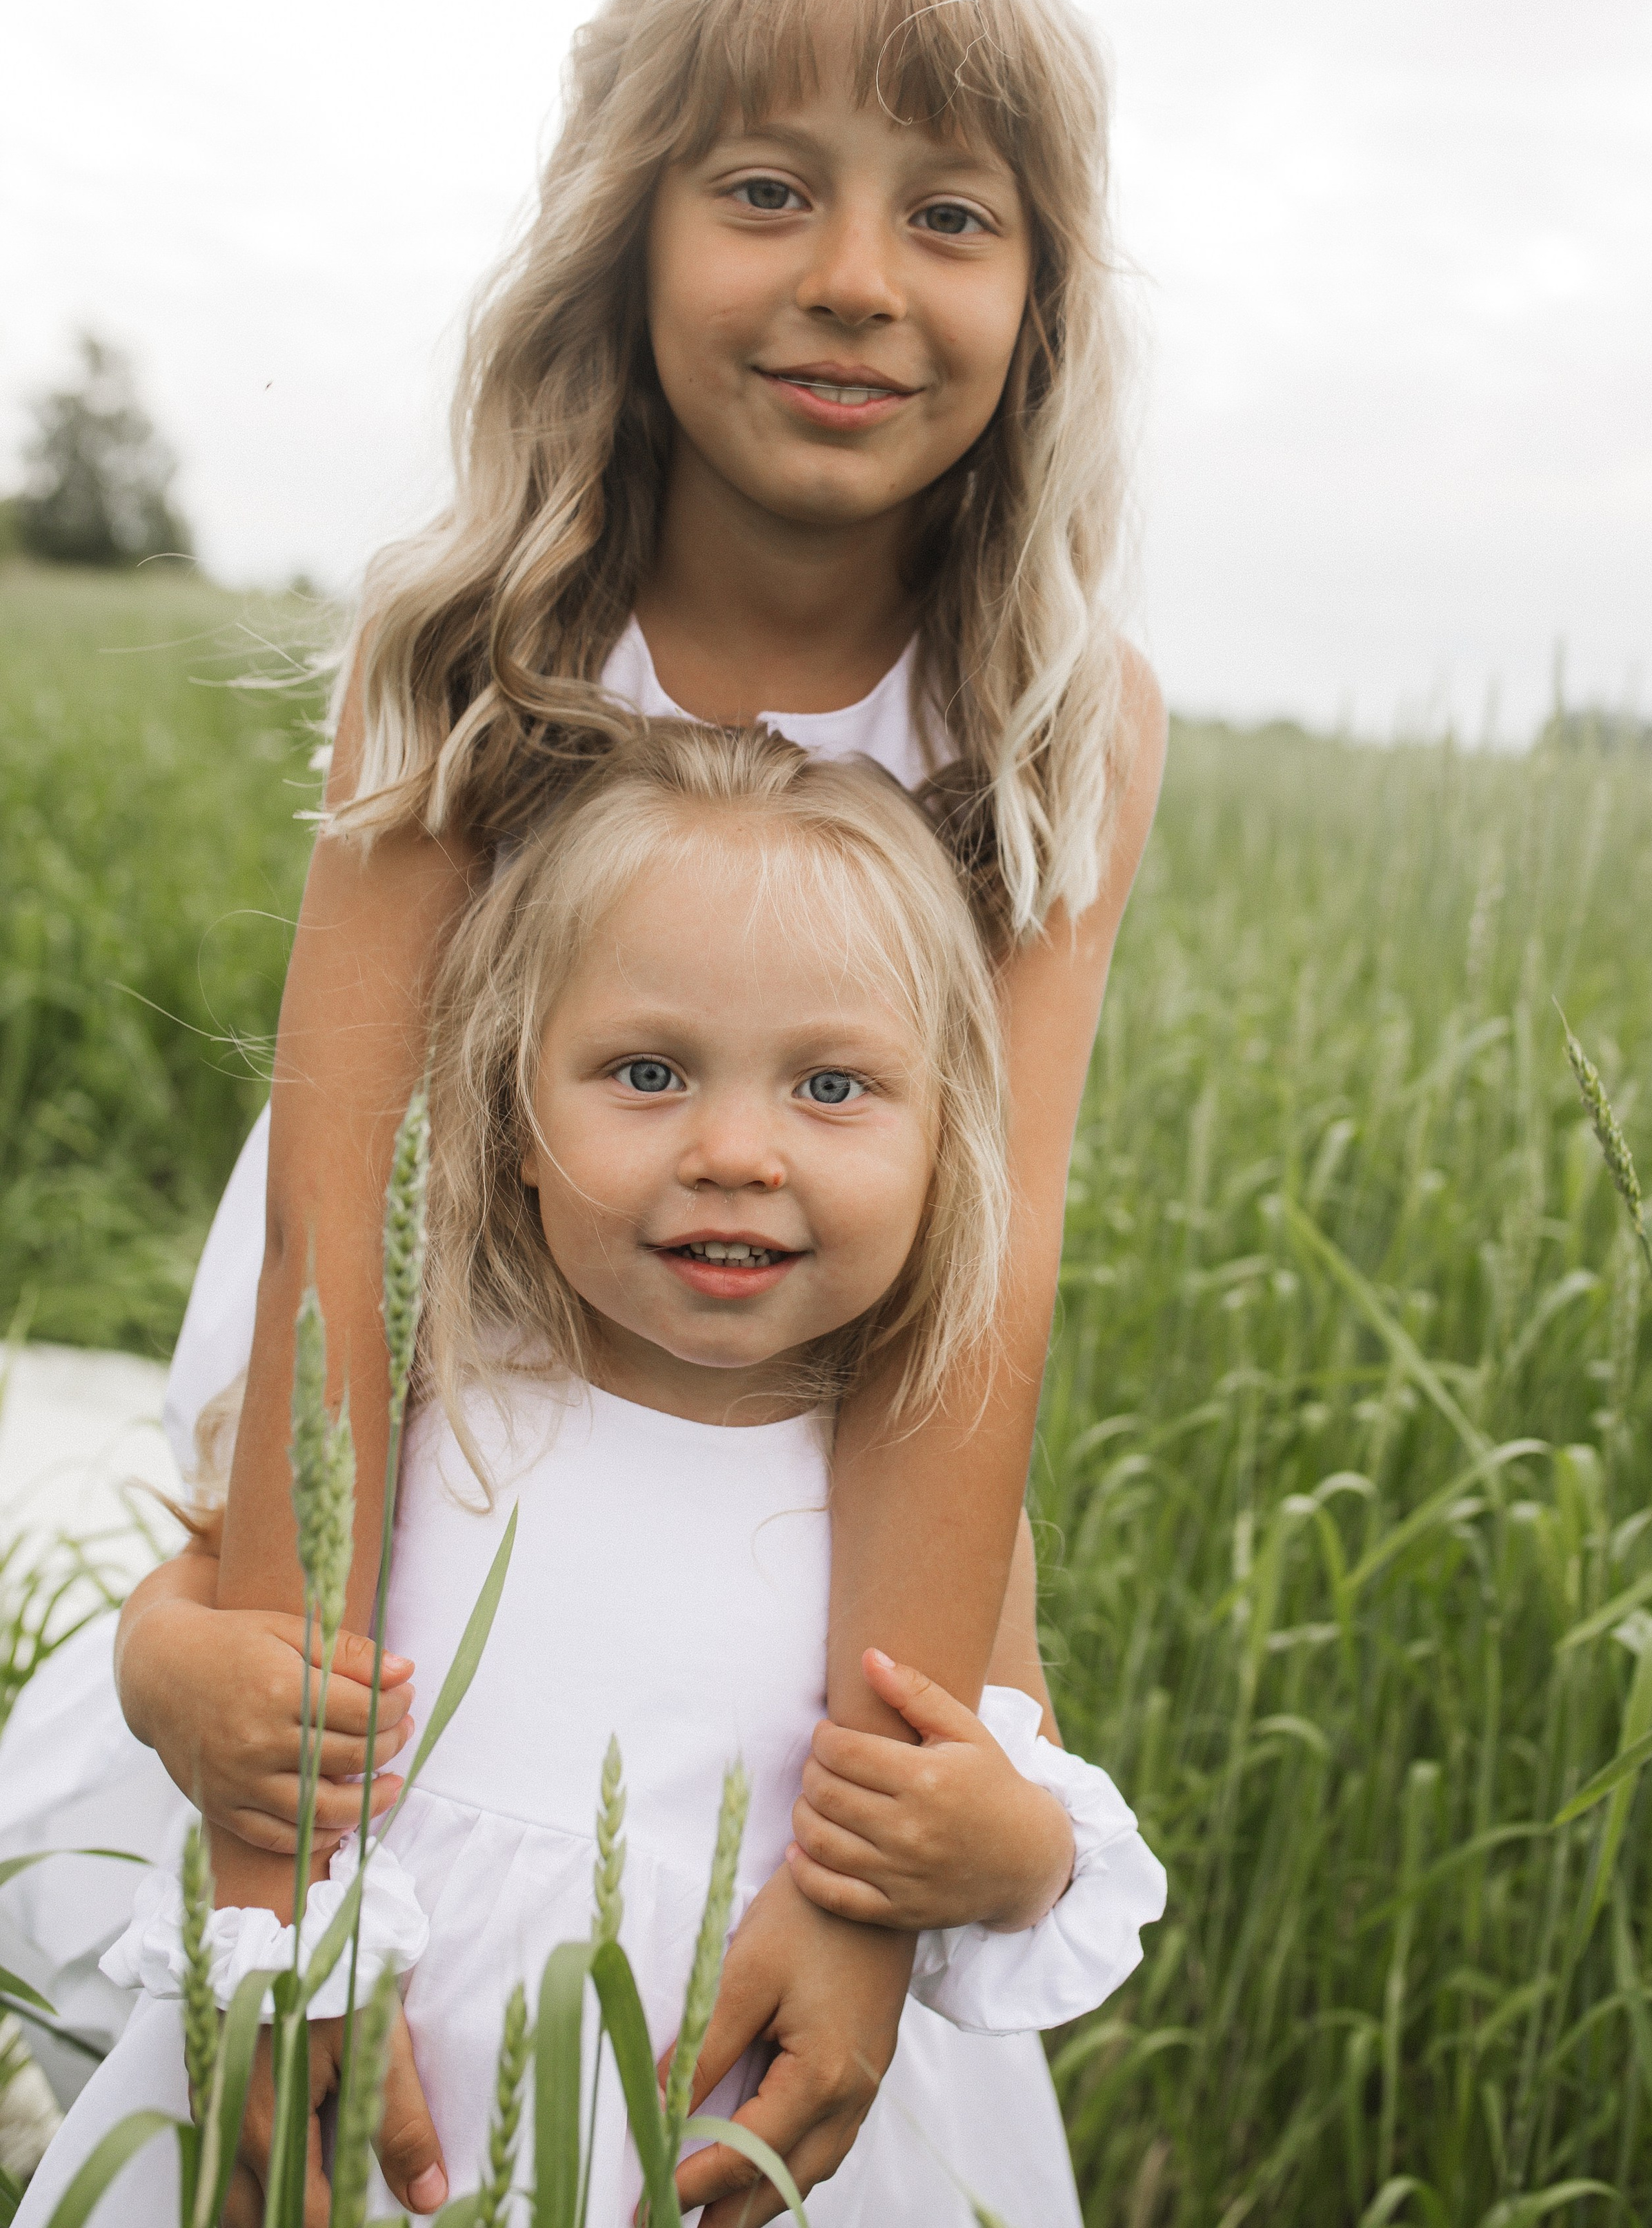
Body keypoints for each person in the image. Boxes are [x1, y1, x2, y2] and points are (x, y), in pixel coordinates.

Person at [15, 0, 1166, 2220]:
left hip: (789, 1512)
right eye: (767, 189)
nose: (855, 278)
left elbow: (984, 1265)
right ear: (630, 230)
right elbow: (340, 1213)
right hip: (405, 1477)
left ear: (1042, 294)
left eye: (953, 213)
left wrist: (863, 1894)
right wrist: (279, 1905)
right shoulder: (478, 634)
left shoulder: (1056, 714)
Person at [19, 725, 1165, 2226]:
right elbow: (195, 1595)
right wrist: (174, 1673)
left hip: (719, 2138)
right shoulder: (442, 1389)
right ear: (516, 1122)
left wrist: (990, 1849)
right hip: (381, 2129)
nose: (736, 1150)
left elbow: (1021, 1800)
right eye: (646, 1071)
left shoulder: (905, 1490)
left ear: (947, 1142)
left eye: (830, 1086)